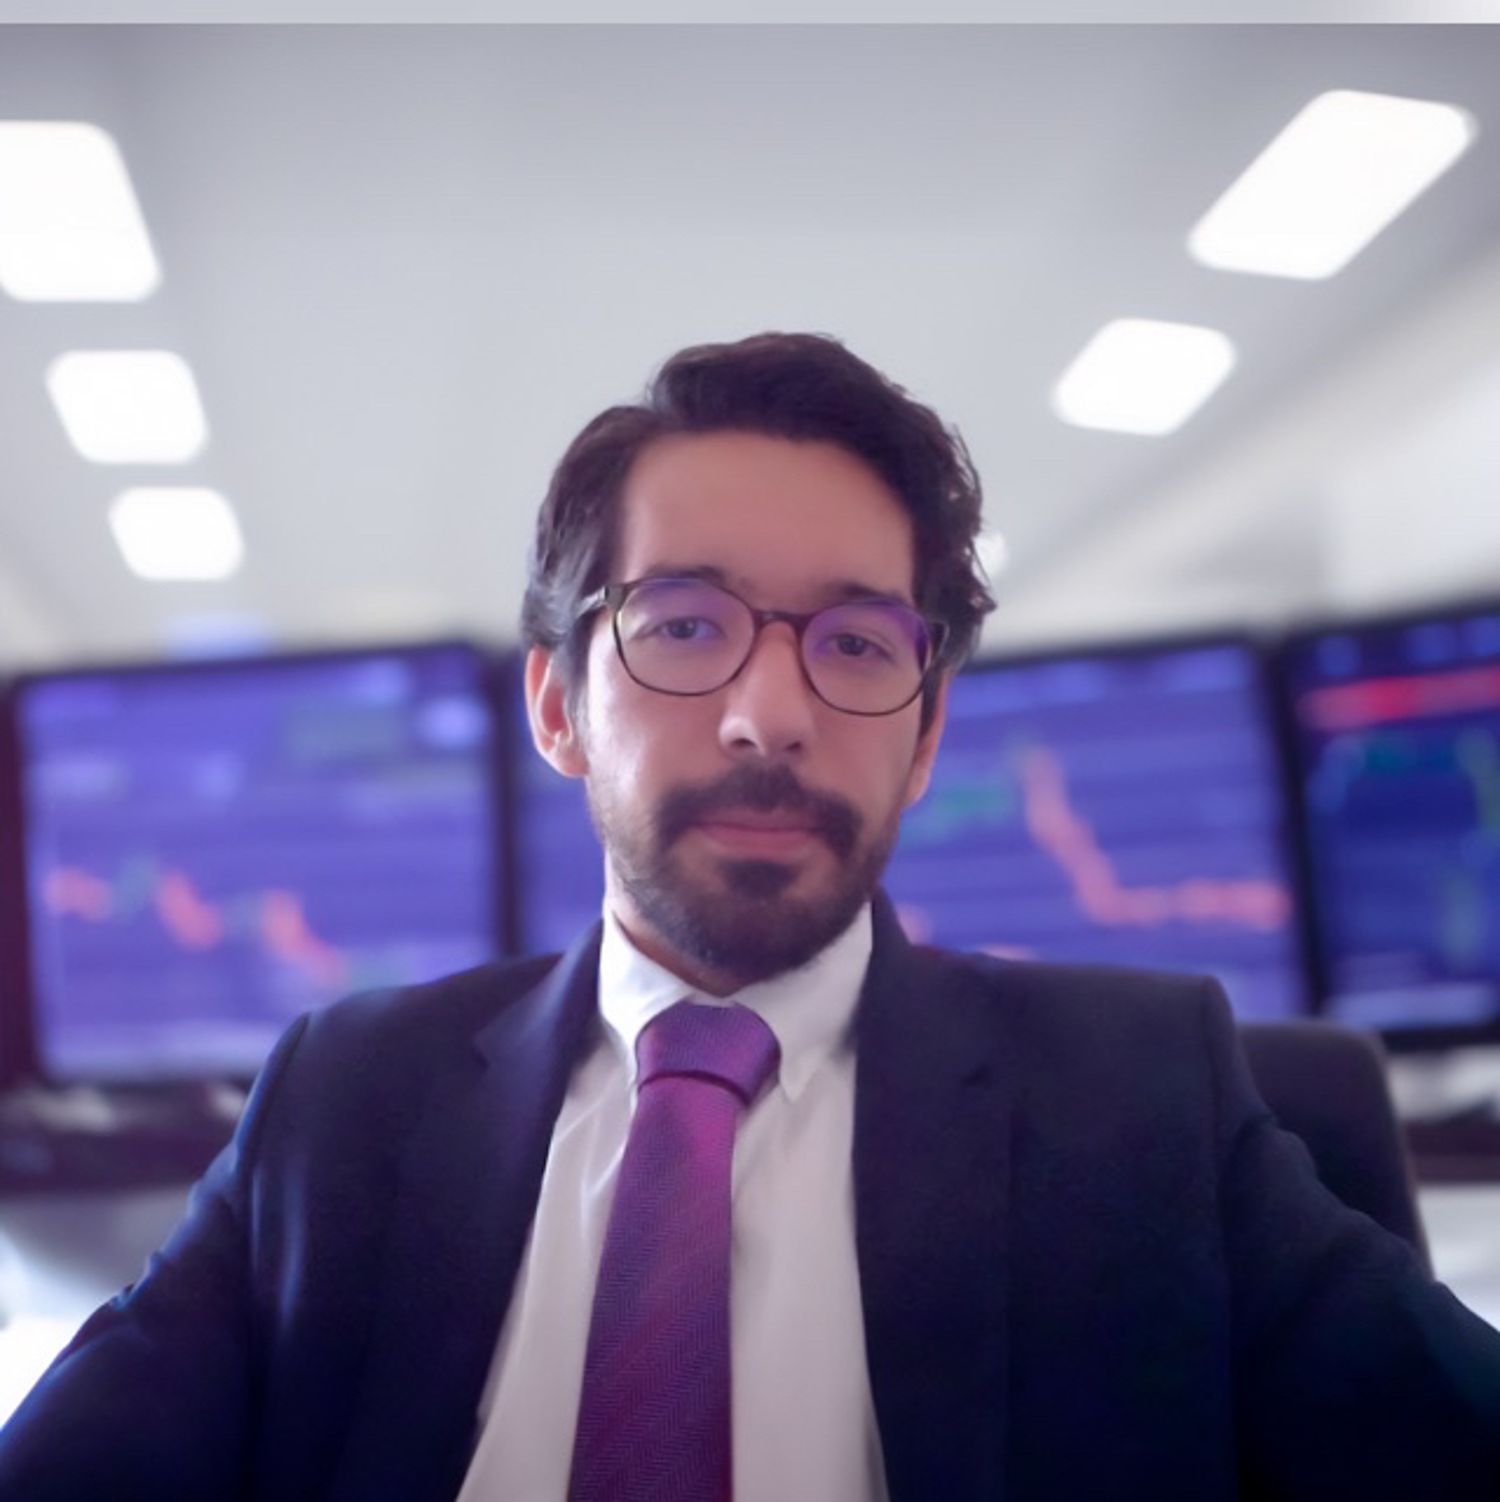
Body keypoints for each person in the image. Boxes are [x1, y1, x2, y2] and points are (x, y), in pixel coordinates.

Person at [1, 333, 1497, 1502]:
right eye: (684, 625)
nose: (767, 713)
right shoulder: (344, 1099)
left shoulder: (1144, 1098)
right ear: (556, 704)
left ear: (925, 734)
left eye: (856, 643)